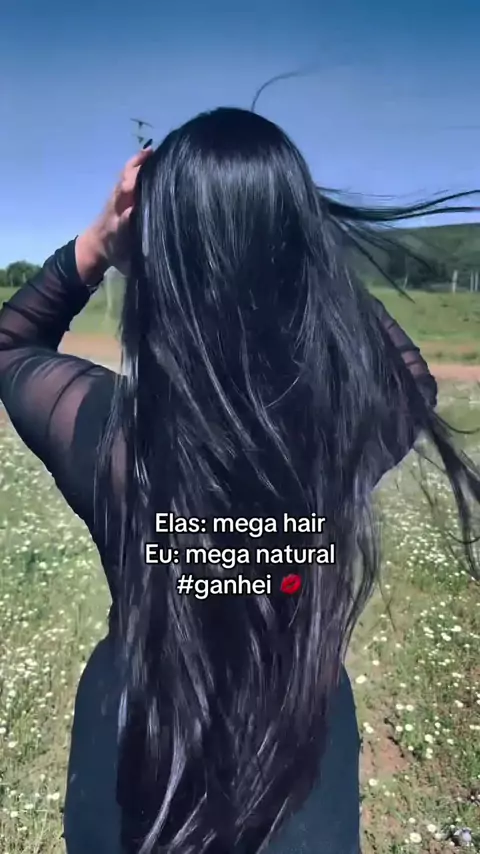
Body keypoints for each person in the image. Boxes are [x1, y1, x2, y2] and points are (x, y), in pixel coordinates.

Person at [0, 107, 479, 854]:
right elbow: (409, 377)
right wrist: (300, 245)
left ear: (159, 260)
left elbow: (11, 344)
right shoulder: (327, 440)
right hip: (300, 765)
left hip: (128, 750)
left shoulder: (107, 433)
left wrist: (97, 244)